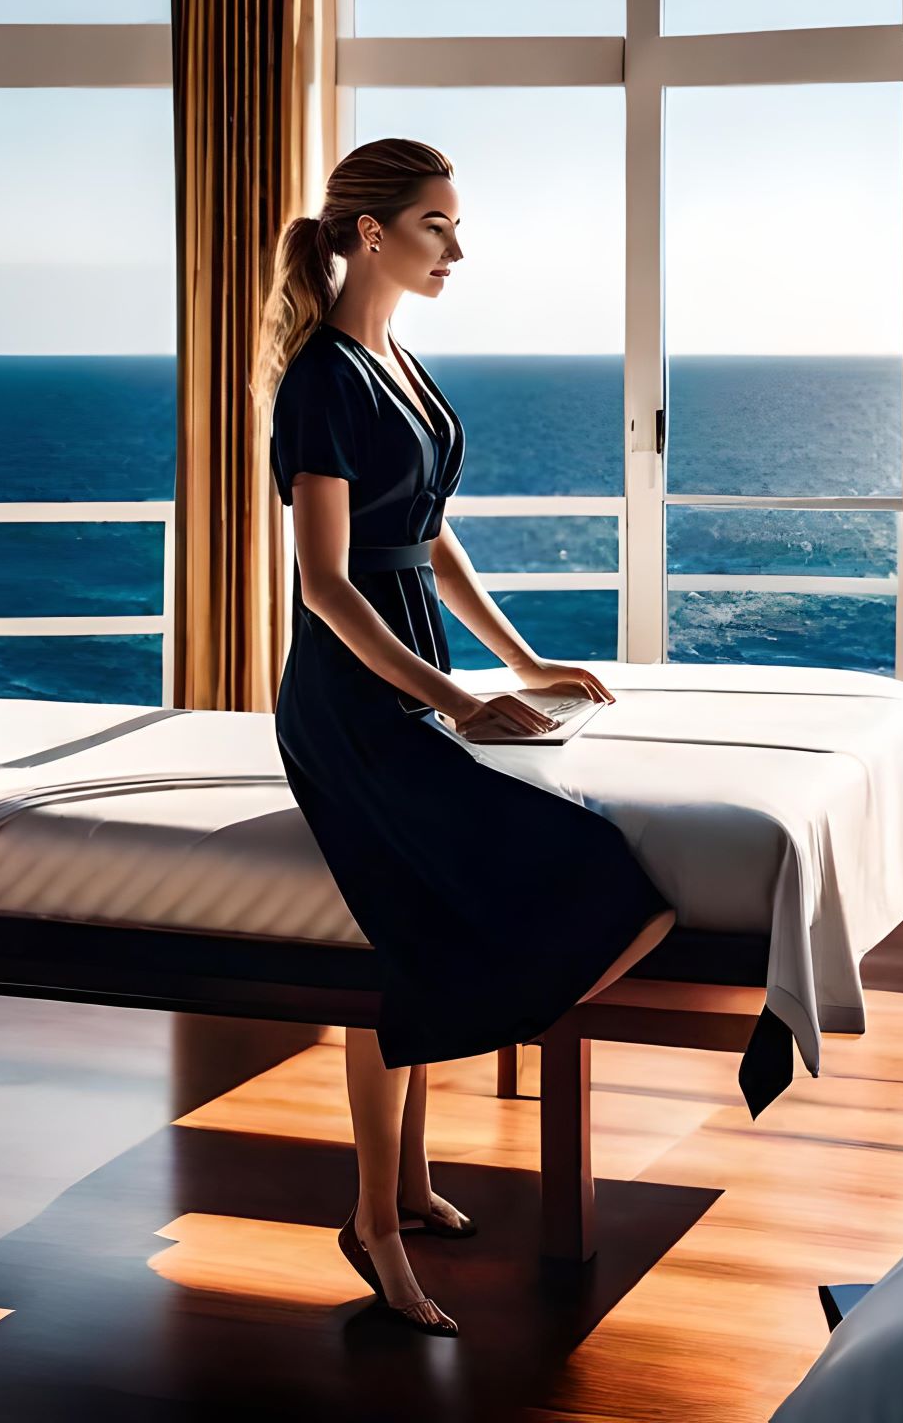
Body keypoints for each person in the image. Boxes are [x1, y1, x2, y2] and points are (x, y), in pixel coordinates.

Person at [253, 136, 677, 1337]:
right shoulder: (323, 380)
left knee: (433, 943)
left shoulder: (397, 359)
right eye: (436, 223)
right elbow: (329, 585)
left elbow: (431, 541)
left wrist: (520, 662)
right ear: (371, 231)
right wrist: (447, 703)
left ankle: (402, 1190)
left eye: (453, 222)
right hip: (346, 703)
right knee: (593, 879)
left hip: (411, 671)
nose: (455, 246)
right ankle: (374, 1223)